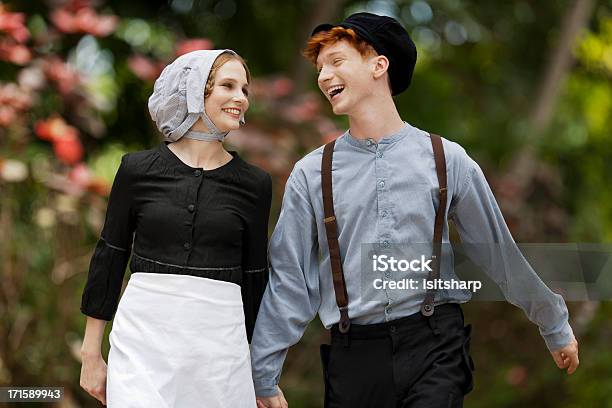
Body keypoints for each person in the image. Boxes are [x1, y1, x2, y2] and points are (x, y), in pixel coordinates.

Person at [251, 12, 579, 408]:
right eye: (320, 68)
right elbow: (290, 281)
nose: (323, 76)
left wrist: (554, 325)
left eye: (336, 61)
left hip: (435, 346)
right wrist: (262, 375)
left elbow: (498, 255)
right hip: (354, 357)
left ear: (378, 64)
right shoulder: (310, 174)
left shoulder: (447, 159)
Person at [79, 49, 272, 407]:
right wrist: (91, 353)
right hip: (142, 341)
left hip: (221, 352)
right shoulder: (137, 170)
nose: (240, 98)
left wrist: (263, 373)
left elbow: (255, 278)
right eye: (228, 86)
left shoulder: (255, 184)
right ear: (195, 91)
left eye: (244, 89)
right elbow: (110, 256)